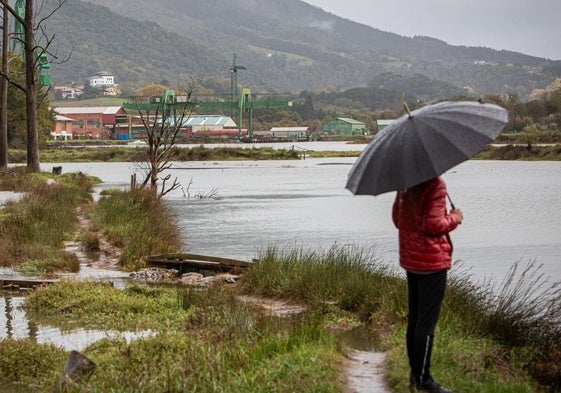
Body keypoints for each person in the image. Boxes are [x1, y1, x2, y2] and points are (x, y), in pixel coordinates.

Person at [392, 176, 463, 393]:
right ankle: (423, 379)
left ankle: (415, 375)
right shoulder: (435, 184)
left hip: (411, 261)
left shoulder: (404, 182)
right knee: (426, 323)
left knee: (415, 320)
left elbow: (397, 219)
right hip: (432, 262)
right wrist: (454, 217)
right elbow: (433, 224)